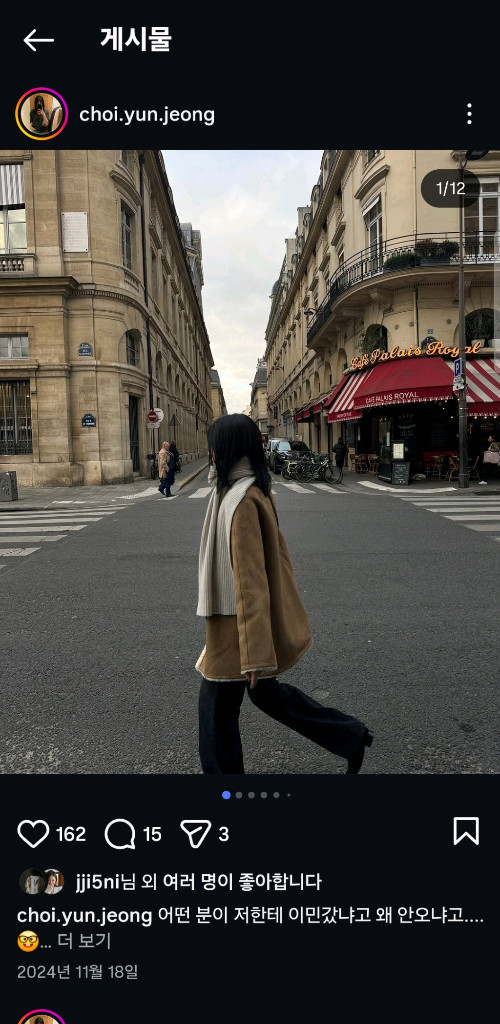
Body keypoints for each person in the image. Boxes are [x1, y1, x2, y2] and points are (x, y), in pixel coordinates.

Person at [196, 413, 373, 774]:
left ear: (228, 449)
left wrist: (254, 654)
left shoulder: (241, 499)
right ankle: (350, 736)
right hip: (237, 624)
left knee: (215, 712)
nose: (210, 455)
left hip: (236, 625)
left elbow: (250, 581)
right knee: (263, 696)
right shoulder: (241, 489)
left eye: (214, 447)